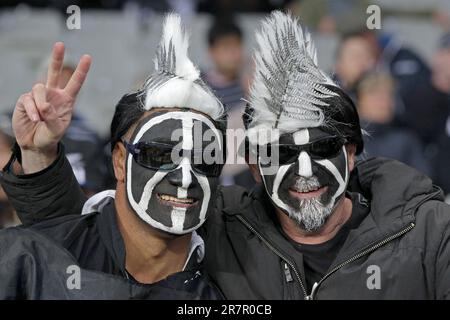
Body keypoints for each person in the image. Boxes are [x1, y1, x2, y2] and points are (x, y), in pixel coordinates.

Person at [3, 11, 450, 300]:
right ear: (254, 166)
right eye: (279, 152)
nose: (305, 170)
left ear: (351, 153)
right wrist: (40, 155)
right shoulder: (218, 225)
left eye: (321, 146)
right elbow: (89, 241)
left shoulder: (426, 230)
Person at [0, 14, 224, 299]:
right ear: (120, 160)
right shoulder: (28, 261)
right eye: (158, 155)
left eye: (204, 159)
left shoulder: (232, 276)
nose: (184, 177)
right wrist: (36, 151)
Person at [355, 71, 431, 175]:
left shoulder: (406, 140)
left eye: (388, 96)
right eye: (376, 96)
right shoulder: (347, 141)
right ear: (359, 102)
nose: (384, 103)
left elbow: (424, 181)